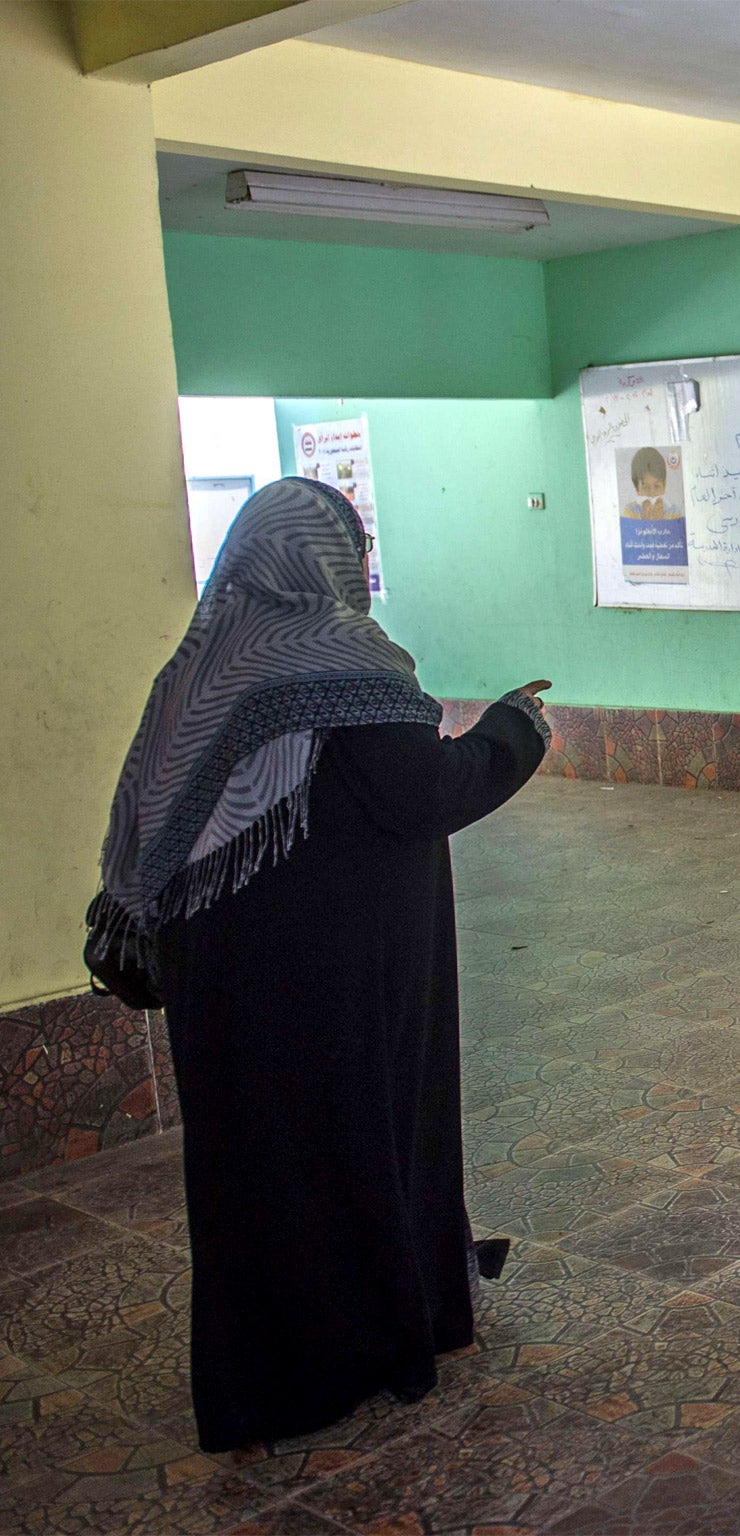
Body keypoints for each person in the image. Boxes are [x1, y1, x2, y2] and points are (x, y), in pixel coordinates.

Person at [83, 477, 553, 1452]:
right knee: (349, 1142)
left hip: (226, 978)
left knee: (257, 1168)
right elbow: (424, 793)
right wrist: (516, 728)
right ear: (331, 559)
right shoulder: (346, 661)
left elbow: (154, 815)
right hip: (333, 977)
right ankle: (362, 1348)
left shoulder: (202, 667)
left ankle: (261, 1375)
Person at [623, 445, 672, 519]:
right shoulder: (629, 511)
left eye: (657, 486)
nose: (652, 494)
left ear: (664, 486)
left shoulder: (673, 512)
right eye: (646, 487)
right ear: (637, 489)